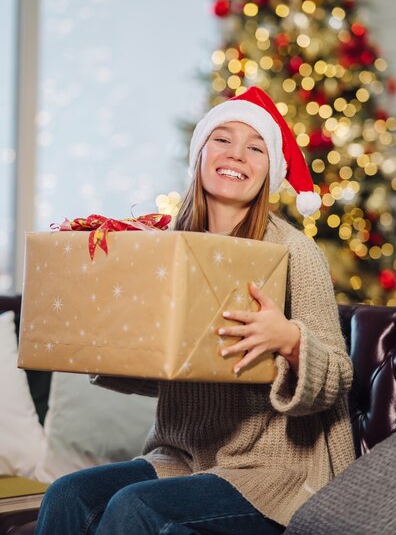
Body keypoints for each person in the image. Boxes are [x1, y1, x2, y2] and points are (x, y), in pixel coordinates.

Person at [35, 86, 355, 534]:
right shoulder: (164, 248)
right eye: (222, 139)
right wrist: (107, 332)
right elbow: (168, 362)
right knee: (66, 494)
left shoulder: (294, 252)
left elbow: (338, 376)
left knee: (136, 508)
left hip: (271, 473)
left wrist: (290, 340)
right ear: (199, 154)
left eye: (256, 147)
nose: (237, 154)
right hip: (182, 457)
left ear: (271, 171)